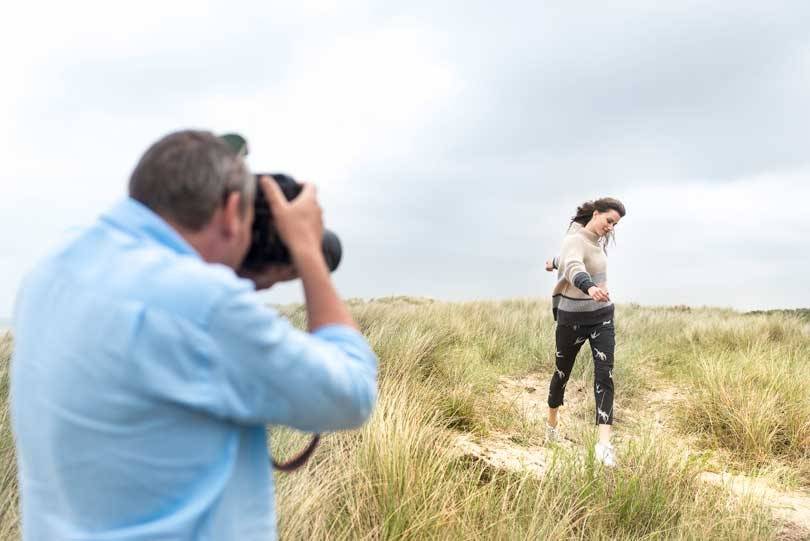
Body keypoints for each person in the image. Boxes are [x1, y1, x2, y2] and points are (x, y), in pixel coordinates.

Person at [10, 130, 378, 540]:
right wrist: (308, 252)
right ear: (231, 209)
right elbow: (351, 394)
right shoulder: (202, 307)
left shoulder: (49, 275)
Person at [543, 197, 626, 467]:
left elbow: (566, 260)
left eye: (615, 224)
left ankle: (603, 446)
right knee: (561, 373)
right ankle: (552, 426)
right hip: (572, 318)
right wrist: (589, 287)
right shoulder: (574, 240)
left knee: (605, 375)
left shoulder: (595, 244)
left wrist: (553, 261)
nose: (611, 227)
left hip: (601, 317)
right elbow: (574, 264)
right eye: (609, 220)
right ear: (596, 213)